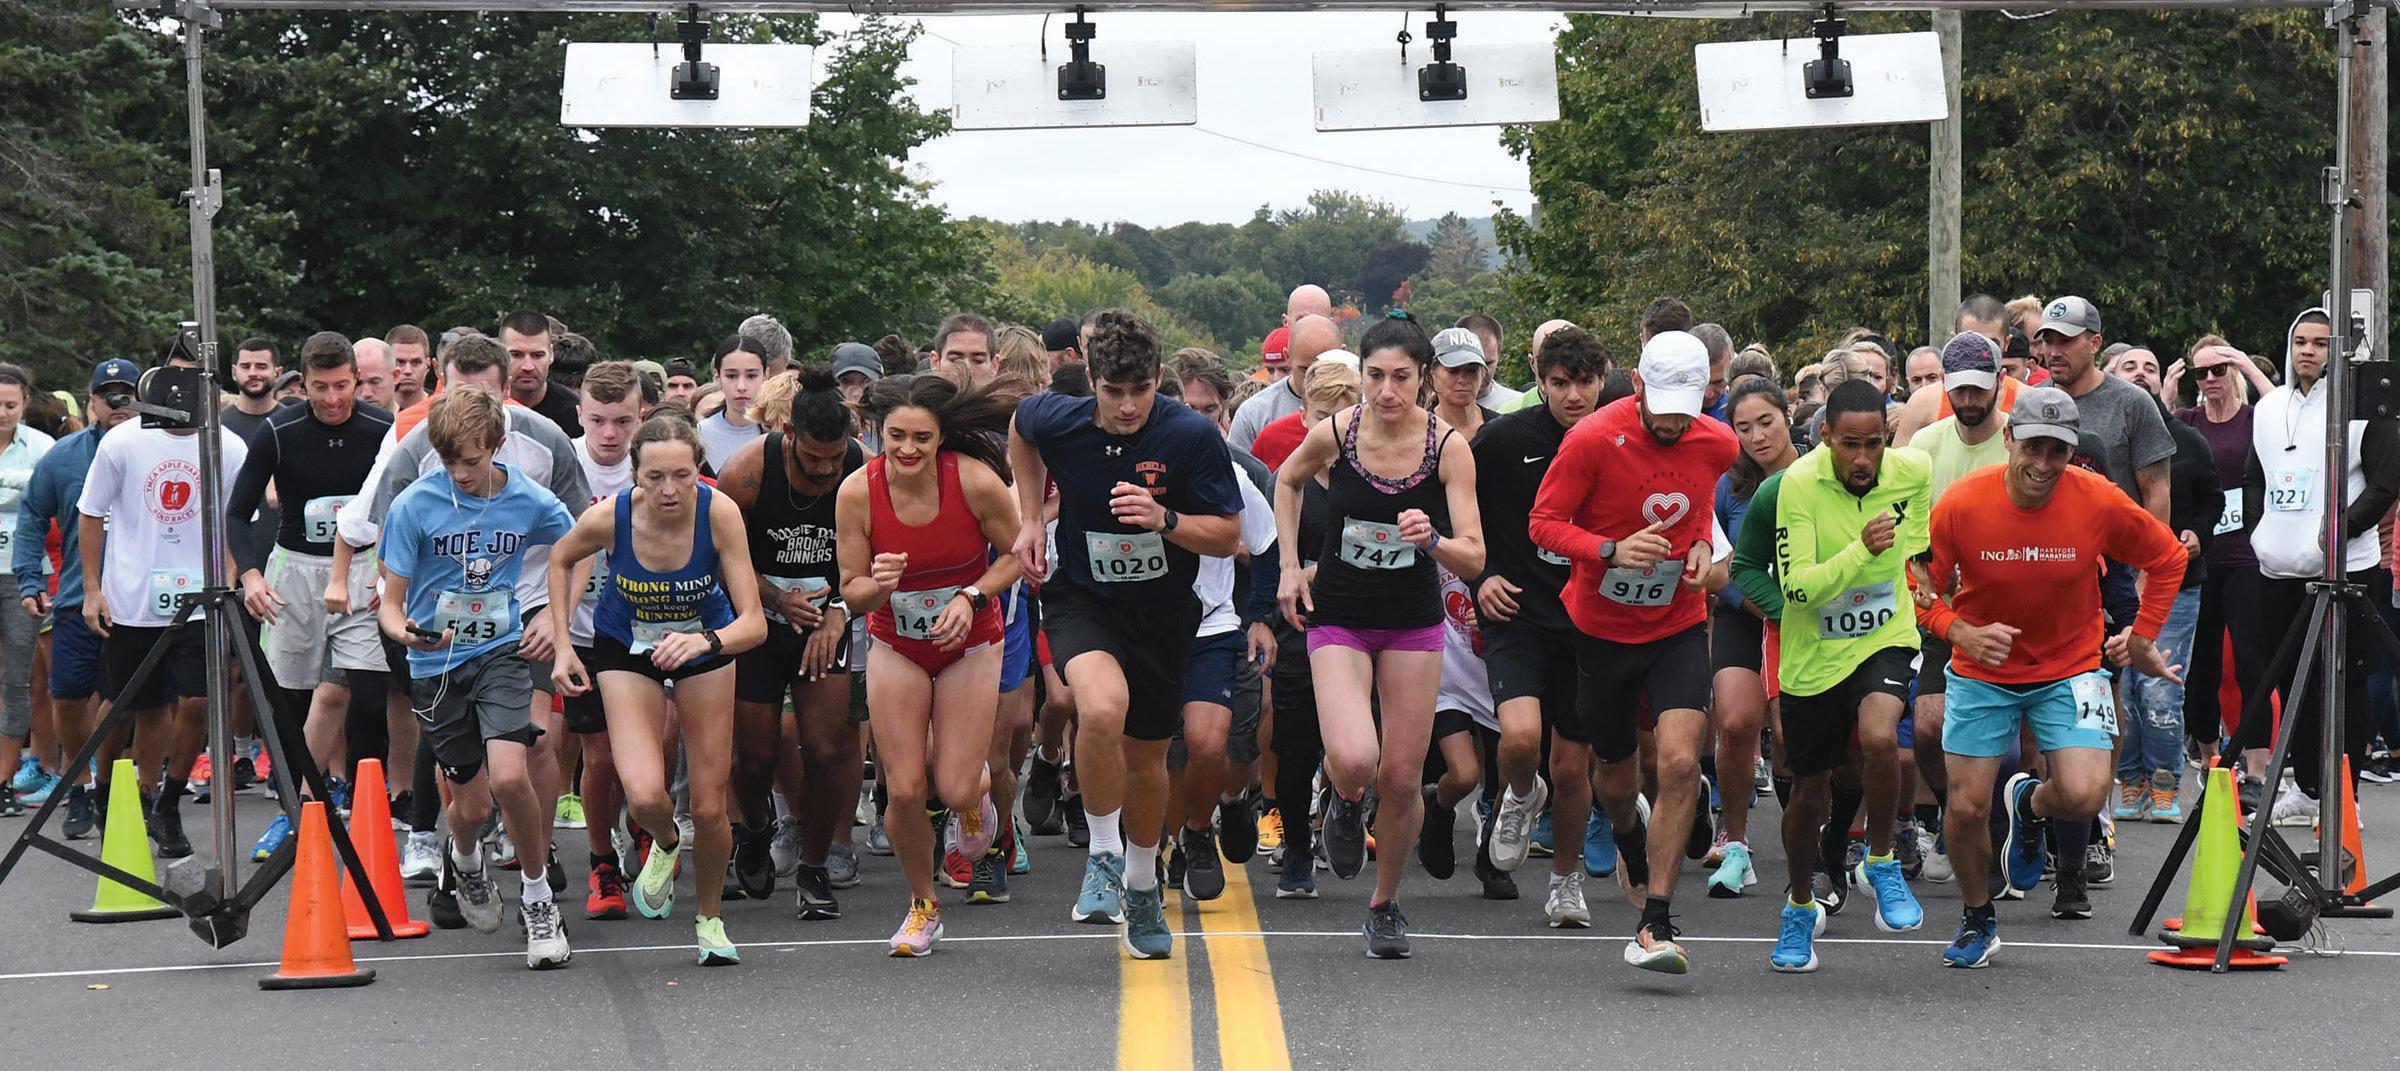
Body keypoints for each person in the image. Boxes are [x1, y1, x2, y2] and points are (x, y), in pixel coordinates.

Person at [1917, 385, 2186, 966]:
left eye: (2057, 451)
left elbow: (2168, 558)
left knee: (2085, 796)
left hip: (2071, 667)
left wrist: (2142, 636)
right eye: (2033, 448)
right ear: (2009, 440)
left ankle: (2029, 804)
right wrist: (1959, 631)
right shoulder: (1962, 504)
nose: (2043, 464)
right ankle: (1977, 916)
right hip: (1983, 671)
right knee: (1965, 808)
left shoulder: (2097, 498)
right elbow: (1918, 587)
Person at [1008, 308, 1242, 961]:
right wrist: (1031, 518)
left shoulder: (1191, 435)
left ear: (1159, 377)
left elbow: (1228, 534)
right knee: (1101, 707)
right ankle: (1103, 855)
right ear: (1092, 382)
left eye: (1140, 389)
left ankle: (1141, 886)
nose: (1129, 405)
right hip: (1083, 598)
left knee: (1146, 760)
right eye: (1114, 391)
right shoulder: (1061, 418)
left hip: (1162, 612)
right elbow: (1021, 428)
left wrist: (1165, 519)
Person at [1273, 318, 1485, 959]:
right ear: (1360, 374)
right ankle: (1343, 797)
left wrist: (1433, 540)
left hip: (1413, 623)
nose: (1387, 391)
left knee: (1400, 776)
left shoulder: (1448, 448)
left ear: (1424, 380)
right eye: (1374, 376)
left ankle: (1385, 904)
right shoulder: (1337, 433)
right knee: (1356, 757)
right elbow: (1287, 480)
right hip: (1339, 616)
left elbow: (1474, 556)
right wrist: (1289, 565)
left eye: (1400, 377)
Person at [1528, 330, 1735, 974]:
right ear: (1639, 385)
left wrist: (1701, 545)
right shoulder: (1592, 438)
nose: (1673, 423)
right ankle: (1627, 834)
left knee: (1678, 763)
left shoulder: (1718, 441)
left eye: (1686, 410)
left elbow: (1700, 504)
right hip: (1602, 631)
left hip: (1677, 625)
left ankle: (1656, 922)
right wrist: (1610, 550)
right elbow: (1543, 525)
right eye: (1663, 407)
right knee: (1617, 785)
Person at [548, 411, 768, 965]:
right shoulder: (610, 517)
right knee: (645, 794)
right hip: (626, 648)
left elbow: (754, 624)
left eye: (681, 476)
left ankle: (710, 919)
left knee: (711, 807)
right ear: (635, 476)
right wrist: (563, 644)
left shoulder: (719, 513)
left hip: (705, 646)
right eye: (655, 478)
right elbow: (560, 557)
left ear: (699, 469)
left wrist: (705, 642)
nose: (669, 490)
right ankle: (666, 842)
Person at [380, 386, 579, 969]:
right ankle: (465, 859)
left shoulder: (528, 498)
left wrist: (554, 617)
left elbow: (580, 547)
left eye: (471, 460)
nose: (461, 473)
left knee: (512, 776)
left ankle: (538, 900)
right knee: (468, 808)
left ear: (497, 445)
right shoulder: (414, 505)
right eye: (450, 462)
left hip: (501, 652)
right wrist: (406, 632)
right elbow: (390, 603)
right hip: (436, 666)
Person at [1742, 380, 1931, 972]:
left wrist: (1926, 577)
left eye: (1874, 444)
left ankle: (1881, 860)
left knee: (1880, 737)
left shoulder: (1914, 471)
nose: (1863, 458)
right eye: (1850, 444)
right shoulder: (1794, 486)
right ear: (1825, 436)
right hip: (1814, 654)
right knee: (1809, 794)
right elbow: (1797, 588)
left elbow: (1916, 548)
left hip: (1884, 637)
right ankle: (1800, 905)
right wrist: (1862, 551)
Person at [838, 373, 1022, 953]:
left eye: (922, 437)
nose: (908, 449)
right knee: (905, 788)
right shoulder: (857, 492)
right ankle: (923, 906)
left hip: (970, 641)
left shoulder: (973, 481)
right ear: (878, 432)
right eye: (897, 436)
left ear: (941, 437)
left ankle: (976, 804)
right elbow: (851, 591)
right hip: (897, 644)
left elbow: (1018, 555)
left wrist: (972, 597)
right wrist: (878, 584)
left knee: (956, 785)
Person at [227, 332, 395, 859]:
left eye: (342, 386)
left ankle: (365, 808)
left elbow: (405, 507)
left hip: (364, 569)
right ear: (303, 383)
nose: (333, 398)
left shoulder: (382, 430)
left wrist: (392, 576)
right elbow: (237, 512)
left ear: (357, 380)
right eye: (321, 387)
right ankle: (296, 810)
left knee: (359, 691)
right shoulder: (280, 431)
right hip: (295, 570)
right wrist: (251, 577)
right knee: (289, 699)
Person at [76, 354, 250, 859]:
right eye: (174, 378)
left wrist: (234, 570)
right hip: (132, 599)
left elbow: (237, 516)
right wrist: (92, 589)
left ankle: (166, 803)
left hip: (199, 598)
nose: (182, 390)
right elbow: (90, 513)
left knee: (197, 702)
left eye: (194, 380)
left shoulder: (227, 446)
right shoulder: (122, 441)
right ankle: (106, 796)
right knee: (125, 705)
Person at [1470, 325, 1616, 915]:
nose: (1573, 396)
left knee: (1573, 765)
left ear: (1603, 380)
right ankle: (1521, 794)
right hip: (1518, 614)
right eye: (1559, 383)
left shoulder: (1621, 439)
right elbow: (1455, 511)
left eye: (1584, 382)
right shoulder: (1503, 440)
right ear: (1540, 381)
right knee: (1522, 738)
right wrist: (1481, 577)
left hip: (1589, 620)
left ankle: (1564, 881)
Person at [2239, 308, 2400, 815]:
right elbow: (2254, 477)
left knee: (2346, 682)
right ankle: (2308, 788)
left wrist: (2343, 528)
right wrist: (2258, 532)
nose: (2308, 351)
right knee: (2293, 682)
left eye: (2321, 343)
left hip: (2347, 570)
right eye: (2301, 342)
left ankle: (2344, 795)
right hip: (2279, 570)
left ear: (2339, 350)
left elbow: (2385, 482)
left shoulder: (2362, 409)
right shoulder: (2269, 407)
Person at [719, 370, 866, 921]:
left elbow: (875, 557)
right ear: (788, 434)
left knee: (826, 751)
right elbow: (723, 557)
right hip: (760, 623)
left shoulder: (861, 470)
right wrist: (777, 599)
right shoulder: (747, 472)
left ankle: (813, 866)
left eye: (835, 458)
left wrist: (840, 612)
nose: (825, 470)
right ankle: (756, 828)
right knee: (756, 755)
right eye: (812, 459)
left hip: (827, 624)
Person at [12, 361, 137, 834]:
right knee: (65, 695)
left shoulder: (155, 450)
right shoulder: (64, 456)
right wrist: (29, 580)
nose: (119, 405)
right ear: (92, 402)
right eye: (109, 396)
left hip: (137, 599)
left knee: (127, 699)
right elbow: (31, 515)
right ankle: (79, 786)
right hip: (76, 597)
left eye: (127, 395)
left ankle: (109, 786)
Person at [551, 361, 648, 920]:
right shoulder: (561, 461)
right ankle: (601, 861)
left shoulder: (657, 463)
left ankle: (645, 824)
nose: (610, 434)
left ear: (642, 416)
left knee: (659, 744)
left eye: (623, 421)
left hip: (653, 630)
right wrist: (555, 626)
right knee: (602, 755)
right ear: (579, 414)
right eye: (597, 421)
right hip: (586, 634)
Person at [1705, 376, 1799, 899]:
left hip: (1806, 620)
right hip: (1744, 615)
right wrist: (1758, 604)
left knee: (1791, 737)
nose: (1758, 436)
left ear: (1787, 417)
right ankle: (1735, 839)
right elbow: (1716, 568)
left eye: (1766, 422)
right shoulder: (1727, 486)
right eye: (1744, 428)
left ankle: (1808, 838)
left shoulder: (1818, 474)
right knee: (1737, 721)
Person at [2173, 338, 2270, 781]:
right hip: (2201, 557)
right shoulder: (2188, 421)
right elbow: (2153, 436)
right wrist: (2167, 391)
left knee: (2252, 661)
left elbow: (2286, 412)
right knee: (2202, 665)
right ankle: (2211, 757)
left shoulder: (2254, 418)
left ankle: (2257, 766)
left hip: (2246, 554)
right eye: (2202, 372)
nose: (2211, 379)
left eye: (2219, 370)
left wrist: (2248, 366)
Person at [0, 365, 54, 817]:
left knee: (17, 680)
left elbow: (49, 500)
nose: (2, 413)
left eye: (10, 405)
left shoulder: (42, 447)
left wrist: (14, 484)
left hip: (22, 573)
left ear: (25, 404)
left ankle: (4, 777)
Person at [1229, 315, 1341, 452]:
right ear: (1288, 357)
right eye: (1305, 370)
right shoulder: (1253, 414)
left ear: (1343, 354)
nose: (1316, 379)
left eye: (1326, 368)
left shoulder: (1361, 404)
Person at [501, 311, 582, 438]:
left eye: (538, 355)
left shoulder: (573, 413)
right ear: (500, 354)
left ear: (551, 354)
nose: (528, 367)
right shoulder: (483, 407)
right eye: (516, 355)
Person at [697, 333, 769, 475]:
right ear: (717, 377)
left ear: (766, 375)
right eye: (731, 376)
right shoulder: (700, 434)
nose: (741, 386)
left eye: (751, 376)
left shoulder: (779, 432)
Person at [1429, 328, 1499, 441]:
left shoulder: (1501, 429)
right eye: (1453, 371)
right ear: (1431, 375)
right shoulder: (1418, 433)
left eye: (1472, 371)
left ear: (1483, 374)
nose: (1463, 379)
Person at [387, 325, 433, 412]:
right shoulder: (374, 412)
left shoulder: (442, 411)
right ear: (386, 364)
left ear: (427, 364)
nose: (408, 371)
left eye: (416, 363)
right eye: (400, 363)